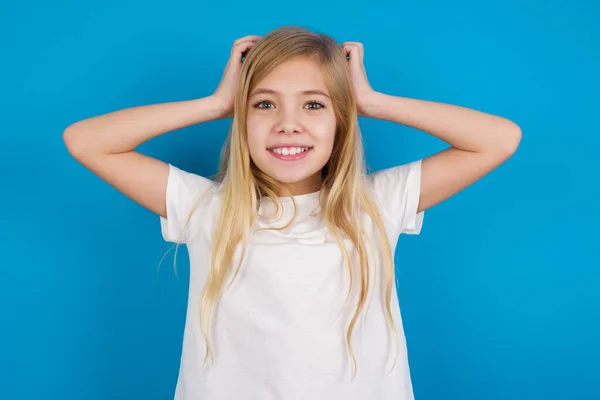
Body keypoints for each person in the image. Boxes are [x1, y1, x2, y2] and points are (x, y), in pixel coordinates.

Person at [63, 26, 521, 400]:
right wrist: (217, 104)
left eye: (314, 104)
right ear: (243, 118)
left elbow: (498, 139)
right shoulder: (206, 208)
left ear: (341, 119)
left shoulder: (377, 203)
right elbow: (86, 141)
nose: (288, 122)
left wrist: (369, 101)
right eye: (264, 104)